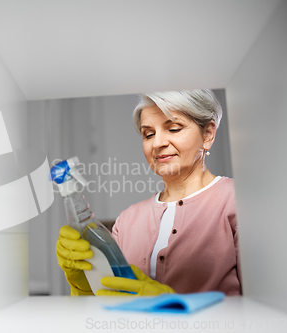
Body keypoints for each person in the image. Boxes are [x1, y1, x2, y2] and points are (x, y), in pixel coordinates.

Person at [56, 90, 241, 296]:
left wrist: (174, 308)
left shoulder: (237, 201)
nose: (157, 143)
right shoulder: (127, 220)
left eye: (173, 128)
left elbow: (264, 306)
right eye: (149, 134)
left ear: (208, 134)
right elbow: (110, 301)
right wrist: (84, 284)